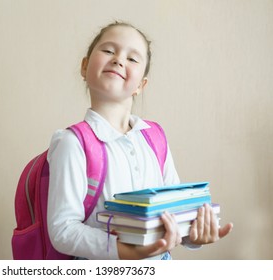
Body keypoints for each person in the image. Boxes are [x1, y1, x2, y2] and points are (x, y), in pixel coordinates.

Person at [46, 21, 233, 260]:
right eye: (108, 51)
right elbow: (63, 230)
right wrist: (123, 252)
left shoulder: (155, 138)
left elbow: (173, 212)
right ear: (84, 67)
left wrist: (192, 236)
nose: (118, 60)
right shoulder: (72, 143)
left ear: (141, 85)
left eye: (133, 59)